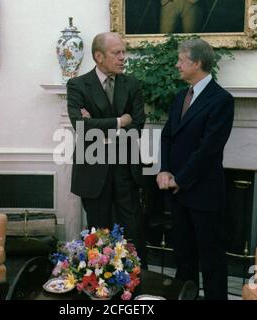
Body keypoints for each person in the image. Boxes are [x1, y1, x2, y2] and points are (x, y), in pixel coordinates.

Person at [157, 39, 234, 299]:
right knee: (184, 257)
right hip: (178, 192)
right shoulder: (181, 96)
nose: (177, 64)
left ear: (197, 63)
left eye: (181, 60)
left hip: (204, 193)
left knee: (211, 261)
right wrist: (165, 170)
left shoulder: (222, 100)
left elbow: (208, 150)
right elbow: (167, 136)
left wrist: (181, 178)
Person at [66, 32, 147, 263]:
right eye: (117, 53)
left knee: (132, 233)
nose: (123, 57)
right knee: (98, 236)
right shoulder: (78, 85)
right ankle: (101, 290)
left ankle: (136, 285)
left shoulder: (132, 84)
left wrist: (98, 130)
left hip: (125, 170)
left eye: (124, 52)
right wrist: (120, 121)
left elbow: (138, 126)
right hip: (93, 171)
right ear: (98, 56)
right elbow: (80, 126)